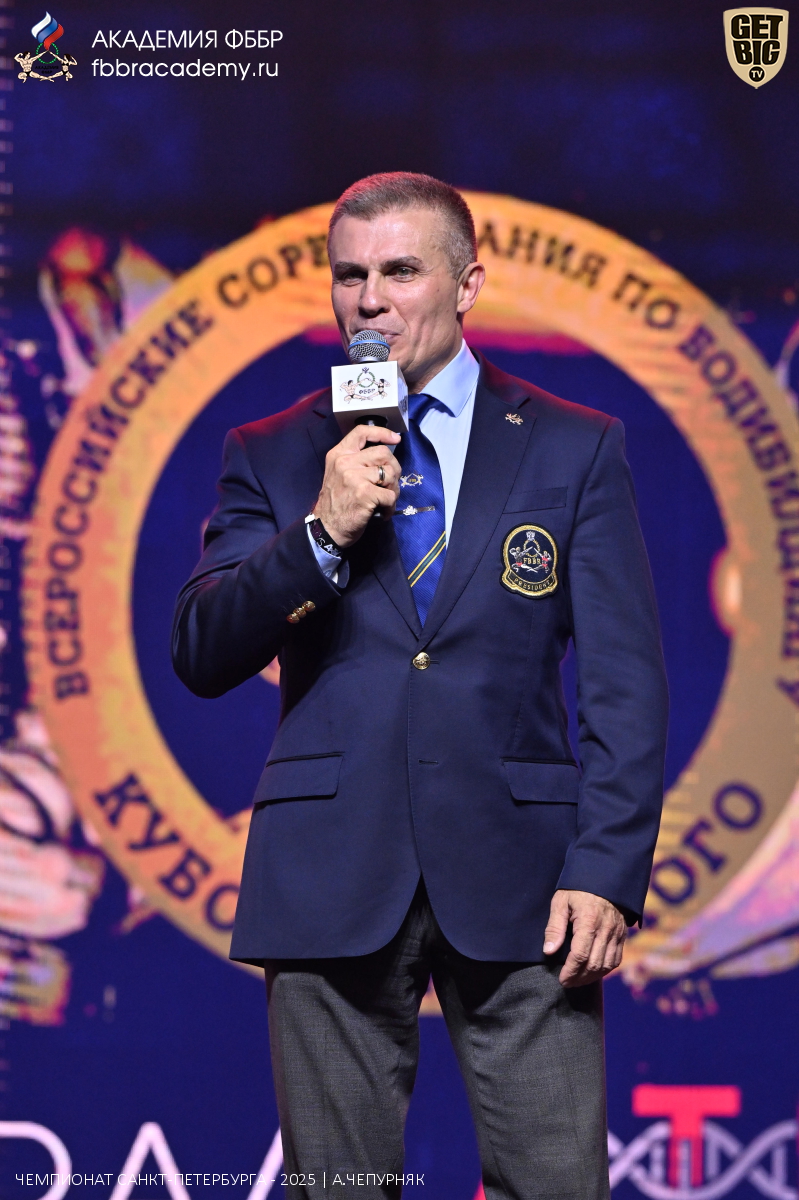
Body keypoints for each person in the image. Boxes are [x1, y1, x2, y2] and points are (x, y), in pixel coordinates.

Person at [172, 172, 668, 1200]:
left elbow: (625, 682)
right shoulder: (273, 452)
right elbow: (203, 649)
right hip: (328, 873)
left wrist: (608, 869)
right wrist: (321, 531)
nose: (369, 300)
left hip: (527, 883)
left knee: (556, 1185)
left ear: (467, 283)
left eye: (400, 271)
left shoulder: (574, 445)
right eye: (348, 275)